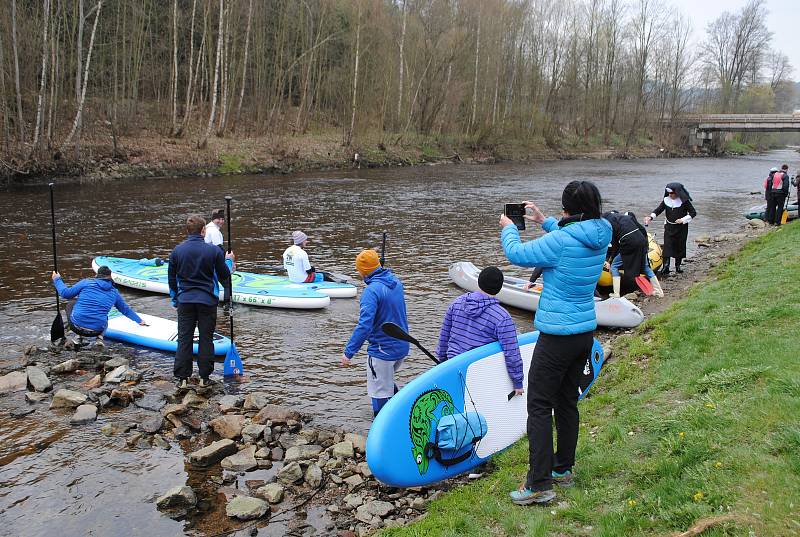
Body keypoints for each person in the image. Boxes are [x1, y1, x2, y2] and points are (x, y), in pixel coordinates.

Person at [499, 180, 611, 506]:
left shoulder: (561, 240)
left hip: (556, 337)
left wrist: (509, 228)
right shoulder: (601, 230)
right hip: (583, 334)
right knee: (566, 403)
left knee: (538, 407)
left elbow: (517, 253)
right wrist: (543, 219)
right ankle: (564, 469)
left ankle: (538, 484)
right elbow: (570, 236)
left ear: (570, 210)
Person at [341, 249, 409, 417]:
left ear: (363, 271)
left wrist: (349, 353)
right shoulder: (396, 282)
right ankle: (400, 414)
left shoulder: (371, 292)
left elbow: (364, 326)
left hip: (382, 351)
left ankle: (380, 424)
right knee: (387, 381)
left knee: (378, 391)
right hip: (401, 346)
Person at [436, 266, 524, 396]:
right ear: (500, 288)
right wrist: (517, 382)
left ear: (479, 282)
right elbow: (512, 353)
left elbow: (444, 337)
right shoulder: (502, 317)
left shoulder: (457, 303)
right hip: (478, 374)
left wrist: (443, 363)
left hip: (453, 366)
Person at [168, 214, 234, 388]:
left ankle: (183, 378)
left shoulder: (177, 251)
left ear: (187, 230)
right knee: (206, 338)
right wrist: (229, 261)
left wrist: (175, 300)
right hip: (207, 301)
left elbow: (172, 280)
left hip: (185, 300)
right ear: (203, 230)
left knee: (184, 338)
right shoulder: (213, 251)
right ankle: (204, 378)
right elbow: (224, 275)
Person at [51, 265, 147, 348]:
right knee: (104, 315)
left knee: (71, 303)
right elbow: (125, 310)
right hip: (97, 331)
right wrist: (139, 320)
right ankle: (99, 339)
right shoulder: (115, 292)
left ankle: (78, 336)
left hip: (76, 327)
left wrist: (57, 279)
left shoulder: (86, 283)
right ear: (110, 277)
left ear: (96, 275)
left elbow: (65, 294)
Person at [603, 211, 663, 298]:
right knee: (646, 267)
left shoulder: (610, 224)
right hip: (642, 242)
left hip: (629, 244)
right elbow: (642, 230)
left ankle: (616, 294)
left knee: (614, 266)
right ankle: (659, 291)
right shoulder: (625, 219)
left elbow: (616, 245)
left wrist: (610, 261)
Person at [644, 183, 697, 275]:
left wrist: (683, 220)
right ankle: (666, 267)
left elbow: (693, 212)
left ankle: (678, 266)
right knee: (667, 245)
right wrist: (650, 217)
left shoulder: (684, 201)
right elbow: (658, 210)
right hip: (669, 226)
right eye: (669, 193)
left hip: (681, 228)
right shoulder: (666, 200)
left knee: (679, 246)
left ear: (677, 193)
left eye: (672, 193)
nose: (670, 195)